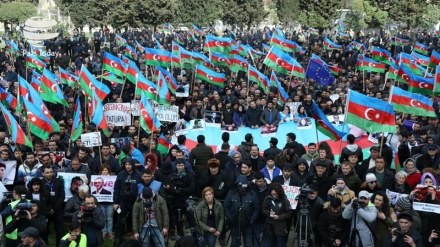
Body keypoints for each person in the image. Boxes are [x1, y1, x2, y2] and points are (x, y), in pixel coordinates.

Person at [224, 175, 260, 247]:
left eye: (244, 185)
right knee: (234, 243)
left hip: (248, 223)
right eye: (240, 185)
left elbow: (257, 208)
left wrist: (252, 219)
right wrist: (230, 218)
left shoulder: (252, 194)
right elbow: (226, 206)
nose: (242, 188)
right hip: (234, 223)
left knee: (247, 243)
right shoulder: (231, 193)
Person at [113, 158, 142, 245]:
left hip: (134, 201)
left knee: (135, 218)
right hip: (122, 200)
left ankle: (135, 235)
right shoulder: (121, 174)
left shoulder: (139, 175)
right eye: (126, 165)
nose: (127, 166)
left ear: (133, 165)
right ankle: (119, 237)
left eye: (129, 164)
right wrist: (116, 202)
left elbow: (141, 188)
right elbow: (116, 188)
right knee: (120, 219)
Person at [261, 183, 293, 247]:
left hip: (280, 227)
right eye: (273, 194)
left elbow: (289, 213)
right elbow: (263, 209)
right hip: (269, 226)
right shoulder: (268, 198)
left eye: (276, 194)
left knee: (280, 244)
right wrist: (269, 213)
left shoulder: (284, 200)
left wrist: (279, 217)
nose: (274, 196)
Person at [41, 165, 65, 246]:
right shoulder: (40, 183)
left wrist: (54, 208)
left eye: (51, 172)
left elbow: (62, 196)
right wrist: (48, 209)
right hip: (45, 212)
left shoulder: (59, 181)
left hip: (57, 210)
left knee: (59, 232)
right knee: (45, 232)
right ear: (43, 173)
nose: (50, 174)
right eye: (47, 172)